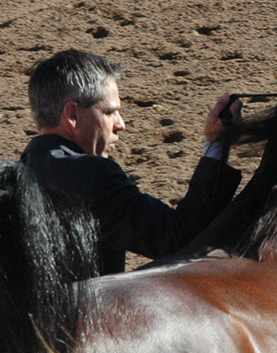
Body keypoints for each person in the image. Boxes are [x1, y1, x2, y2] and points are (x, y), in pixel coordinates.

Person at [21, 49, 242, 274]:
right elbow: (181, 238)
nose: (121, 124)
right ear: (73, 115)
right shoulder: (90, 175)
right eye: (110, 112)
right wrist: (217, 144)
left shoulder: (22, 170)